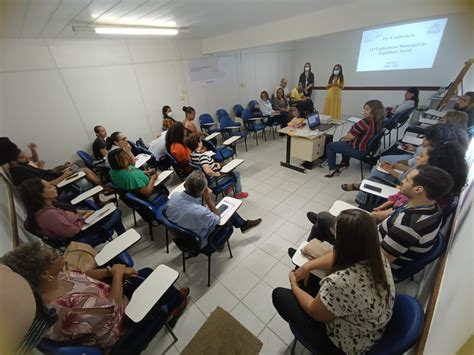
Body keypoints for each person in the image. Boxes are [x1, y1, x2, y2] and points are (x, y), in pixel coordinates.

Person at [0, 243, 189, 353]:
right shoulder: (70, 308)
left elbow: (84, 275)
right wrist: (117, 274)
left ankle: (168, 297)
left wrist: (110, 271)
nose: (60, 254)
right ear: (45, 274)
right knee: (160, 287)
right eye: (54, 255)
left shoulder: (53, 281)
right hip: (121, 325)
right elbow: (112, 306)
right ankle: (172, 308)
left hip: (107, 306)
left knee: (146, 273)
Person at [274, 210, 395, 354]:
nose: (332, 232)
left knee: (279, 295)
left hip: (345, 344)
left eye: (335, 231)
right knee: (309, 279)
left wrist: (293, 285)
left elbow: (315, 312)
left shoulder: (340, 282)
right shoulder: (377, 254)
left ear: (345, 243)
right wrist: (308, 266)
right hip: (370, 323)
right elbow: (336, 255)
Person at [303, 166, 453, 273]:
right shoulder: (428, 207)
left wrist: (350, 234)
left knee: (324, 219)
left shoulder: (408, 226)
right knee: (328, 220)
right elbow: (387, 215)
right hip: (373, 239)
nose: (402, 182)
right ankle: (314, 241)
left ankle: (305, 260)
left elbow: (377, 261)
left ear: (418, 189)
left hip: (370, 258)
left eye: (407, 180)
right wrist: (363, 219)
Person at [166, 171, 262, 248]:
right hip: (198, 240)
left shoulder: (174, 196)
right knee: (227, 223)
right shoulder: (200, 212)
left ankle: (243, 225)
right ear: (203, 191)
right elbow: (218, 218)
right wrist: (208, 199)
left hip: (182, 234)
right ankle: (221, 243)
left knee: (215, 205)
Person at [0, 138, 110, 202]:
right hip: (60, 187)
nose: (27, 158)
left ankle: (101, 192)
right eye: (22, 157)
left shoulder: (23, 166)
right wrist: (64, 175)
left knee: (78, 165)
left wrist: (62, 167)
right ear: (13, 161)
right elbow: (45, 184)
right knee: (85, 170)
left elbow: (46, 173)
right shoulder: (20, 173)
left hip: (58, 179)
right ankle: (104, 188)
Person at [19, 177, 125, 241]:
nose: (54, 187)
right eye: (49, 187)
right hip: (83, 235)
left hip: (84, 224)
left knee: (105, 209)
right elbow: (71, 232)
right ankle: (122, 236)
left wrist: (86, 213)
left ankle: (122, 236)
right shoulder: (48, 215)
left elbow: (71, 211)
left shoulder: (51, 204)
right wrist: (82, 219)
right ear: (40, 194)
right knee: (116, 212)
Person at [324, 100, 385, 178]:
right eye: (364, 109)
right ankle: (344, 163)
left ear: (374, 111)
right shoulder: (379, 121)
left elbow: (350, 137)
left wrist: (343, 138)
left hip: (358, 150)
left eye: (367, 109)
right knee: (343, 142)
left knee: (330, 146)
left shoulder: (364, 122)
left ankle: (332, 169)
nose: (364, 111)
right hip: (367, 149)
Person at [184, 134, 248, 199]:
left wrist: (214, 164)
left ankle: (227, 189)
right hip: (214, 181)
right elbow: (208, 171)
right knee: (236, 173)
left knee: (222, 166)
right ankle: (238, 193)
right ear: (198, 143)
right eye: (200, 141)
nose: (201, 142)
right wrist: (217, 174)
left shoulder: (192, 155)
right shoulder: (202, 156)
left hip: (206, 180)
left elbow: (204, 165)